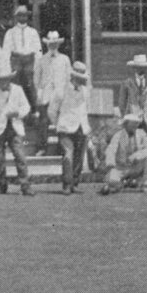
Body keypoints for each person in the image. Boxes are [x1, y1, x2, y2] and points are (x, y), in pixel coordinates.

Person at [0, 69, 34, 196]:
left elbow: (26, 107)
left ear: (10, 79)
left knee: (20, 156)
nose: (3, 82)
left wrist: (17, 113)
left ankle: (25, 185)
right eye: (1, 80)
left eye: (6, 79)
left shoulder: (17, 90)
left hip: (14, 127)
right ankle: (1, 185)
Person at [52, 60, 93, 195]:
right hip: (65, 128)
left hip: (81, 127)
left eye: (83, 78)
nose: (82, 81)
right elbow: (52, 111)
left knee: (79, 157)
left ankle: (75, 183)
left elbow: (85, 110)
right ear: (73, 77)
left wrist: (86, 127)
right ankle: (66, 184)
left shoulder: (85, 91)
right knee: (68, 155)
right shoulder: (61, 90)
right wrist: (59, 124)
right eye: (79, 78)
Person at [99, 113, 147, 195]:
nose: (135, 125)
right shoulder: (118, 135)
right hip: (121, 168)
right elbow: (111, 149)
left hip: (137, 167)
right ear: (125, 124)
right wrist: (110, 163)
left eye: (136, 123)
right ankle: (120, 185)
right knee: (111, 180)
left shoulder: (141, 134)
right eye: (132, 123)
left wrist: (138, 155)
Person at [2, 5, 43, 115]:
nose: (22, 18)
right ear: (16, 17)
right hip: (16, 60)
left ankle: (33, 110)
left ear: (27, 17)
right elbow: (6, 50)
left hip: (29, 60)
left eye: (24, 15)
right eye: (20, 15)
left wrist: (38, 64)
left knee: (30, 83)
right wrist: (6, 65)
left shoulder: (32, 32)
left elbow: (38, 50)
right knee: (15, 84)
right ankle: (15, 109)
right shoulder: (10, 32)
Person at [34, 31, 71, 141]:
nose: (53, 45)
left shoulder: (64, 59)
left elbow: (69, 78)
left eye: (55, 44)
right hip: (47, 95)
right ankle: (42, 147)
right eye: (51, 44)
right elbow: (37, 79)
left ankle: (62, 147)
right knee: (43, 120)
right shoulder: (41, 60)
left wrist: (67, 93)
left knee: (61, 121)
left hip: (61, 95)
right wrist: (39, 93)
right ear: (47, 45)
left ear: (58, 44)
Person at [117, 53, 147, 137]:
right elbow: (122, 103)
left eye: (143, 67)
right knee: (133, 144)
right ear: (134, 68)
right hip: (133, 120)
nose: (141, 69)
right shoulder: (127, 83)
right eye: (139, 66)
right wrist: (126, 117)